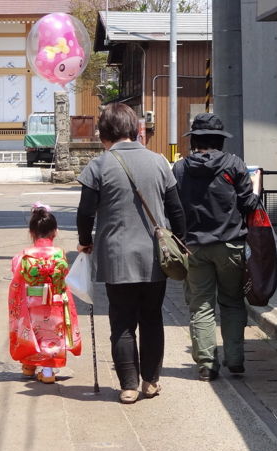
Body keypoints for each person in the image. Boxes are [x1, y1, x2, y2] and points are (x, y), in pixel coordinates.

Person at [76, 103, 186, 404]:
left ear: (104, 134)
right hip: (155, 255)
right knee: (152, 318)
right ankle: (151, 381)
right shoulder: (159, 162)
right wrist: (180, 240)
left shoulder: (98, 166)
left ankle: (128, 386)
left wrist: (85, 242)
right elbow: (176, 210)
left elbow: (85, 213)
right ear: (135, 130)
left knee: (122, 321)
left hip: (116, 256)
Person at [171, 113, 260, 382]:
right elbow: (248, 205)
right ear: (220, 140)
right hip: (230, 245)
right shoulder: (235, 166)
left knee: (201, 306)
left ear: (194, 140)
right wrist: (253, 191)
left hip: (194, 247)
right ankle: (235, 360)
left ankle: (207, 364)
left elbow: (173, 209)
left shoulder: (180, 169)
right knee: (232, 302)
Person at [8, 202, 82, 384]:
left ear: (31, 233)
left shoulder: (23, 255)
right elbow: (64, 277)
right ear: (55, 231)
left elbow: (16, 280)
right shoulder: (60, 254)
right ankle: (47, 371)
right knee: (50, 335)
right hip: (55, 301)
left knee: (30, 333)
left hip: (32, 302)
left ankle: (28, 366)